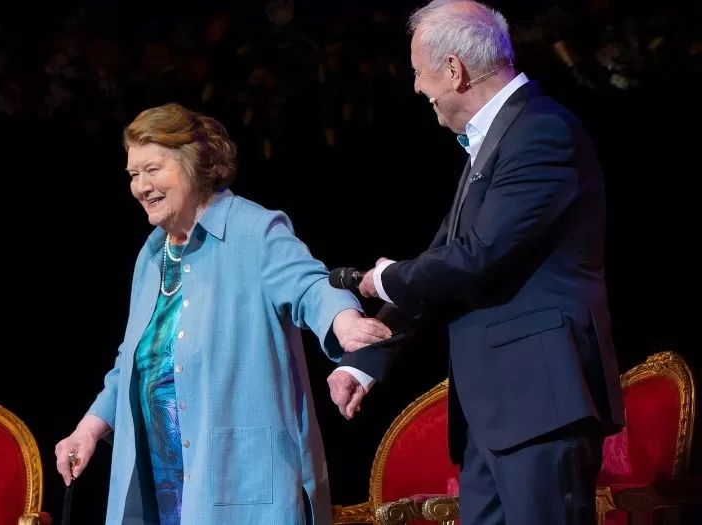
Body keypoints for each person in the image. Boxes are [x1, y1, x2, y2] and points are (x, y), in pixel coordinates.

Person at [327, 2, 625, 524]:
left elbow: (476, 257)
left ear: (453, 70)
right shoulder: (494, 143)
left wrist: (384, 279)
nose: (417, 88)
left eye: (419, 72)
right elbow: (445, 261)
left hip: (539, 405)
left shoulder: (541, 131)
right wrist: (366, 361)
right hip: (494, 415)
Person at [53, 102, 392, 525]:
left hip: (239, 479)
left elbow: (310, 285)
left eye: (152, 169)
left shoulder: (253, 230)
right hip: (162, 483)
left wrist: (344, 321)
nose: (140, 186)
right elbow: (137, 359)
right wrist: (89, 428)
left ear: (193, 164)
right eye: (133, 174)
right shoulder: (152, 255)